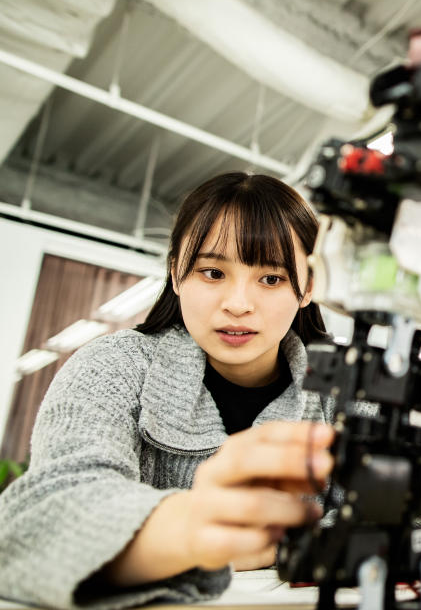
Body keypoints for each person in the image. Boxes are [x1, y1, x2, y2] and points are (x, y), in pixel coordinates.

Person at [0, 172, 336, 609]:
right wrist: (199, 531)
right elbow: (40, 522)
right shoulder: (112, 367)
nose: (237, 302)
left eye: (271, 279)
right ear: (176, 273)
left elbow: (388, 519)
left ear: (308, 285)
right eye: (212, 272)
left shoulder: (336, 394)